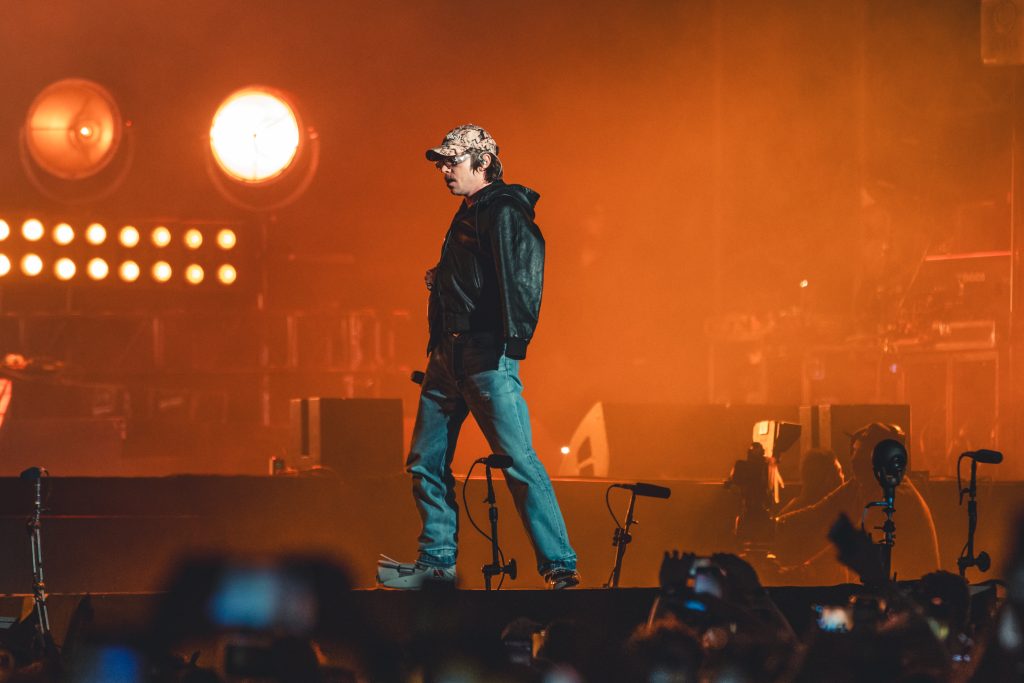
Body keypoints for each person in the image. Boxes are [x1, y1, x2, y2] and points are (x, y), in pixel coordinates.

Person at [377, 124, 579, 590]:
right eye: (442, 162)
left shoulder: (504, 208)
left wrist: (513, 345)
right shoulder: (471, 210)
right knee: (426, 461)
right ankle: (436, 565)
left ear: (482, 162)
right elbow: (482, 272)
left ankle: (560, 565)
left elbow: (524, 275)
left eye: (453, 161)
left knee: (517, 460)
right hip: (448, 356)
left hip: (485, 355)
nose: (445, 170)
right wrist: (444, 277)